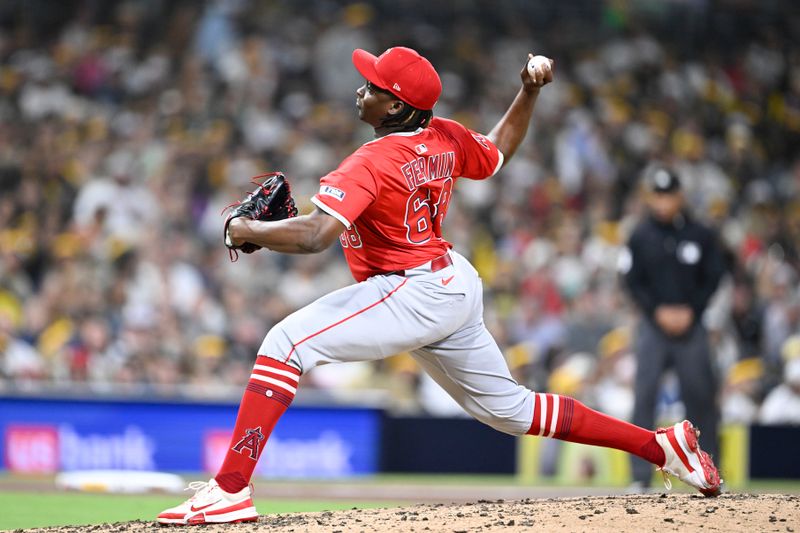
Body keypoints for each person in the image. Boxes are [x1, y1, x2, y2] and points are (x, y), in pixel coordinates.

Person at [157, 47, 721, 525]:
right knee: (512, 411)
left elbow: (315, 236)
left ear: (397, 104)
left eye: (372, 85)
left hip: (412, 289)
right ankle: (660, 446)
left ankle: (230, 489)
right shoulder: (443, 135)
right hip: (450, 283)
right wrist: (528, 91)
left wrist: (244, 227)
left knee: (284, 343)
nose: (361, 89)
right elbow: (499, 150)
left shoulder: (371, 159)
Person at [621, 166, 726, 492]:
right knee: (644, 395)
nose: (664, 202)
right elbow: (630, 280)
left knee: (701, 397)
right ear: (651, 197)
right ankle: (640, 477)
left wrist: (691, 310)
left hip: (691, 326)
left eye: (669, 195)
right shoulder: (639, 236)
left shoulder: (701, 234)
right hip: (654, 326)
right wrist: (658, 311)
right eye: (659, 195)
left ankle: (711, 473)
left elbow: (714, 276)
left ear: (679, 196)